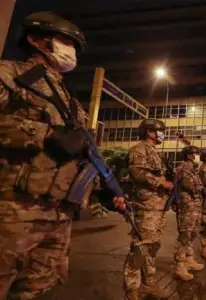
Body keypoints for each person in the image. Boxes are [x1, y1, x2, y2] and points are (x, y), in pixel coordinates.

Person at [0, 12, 126, 299]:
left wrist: (104, 190)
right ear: (35, 39)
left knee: (37, 289)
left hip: (59, 214)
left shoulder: (69, 101)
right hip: (13, 211)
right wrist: (43, 134)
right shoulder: (11, 74)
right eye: (64, 41)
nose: (70, 50)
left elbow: (82, 155)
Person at [123, 119, 173, 300]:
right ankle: (132, 290)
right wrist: (162, 183)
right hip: (146, 206)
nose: (162, 134)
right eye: (159, 131)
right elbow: (137, 173)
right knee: (140, 247)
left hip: (158, 206)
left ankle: (149, 283)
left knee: (153, 246)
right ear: (149, 132)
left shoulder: (156, 153)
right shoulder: (139, 149)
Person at [173, 145, 205, 281]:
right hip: (186, 206)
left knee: (192, 234)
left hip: (194, 206)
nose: (197, 155)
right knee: (184, 235)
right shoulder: (183, 168)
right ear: (188, 155)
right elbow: (189, 185)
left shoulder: (193, 169)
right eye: (195, 153)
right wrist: (202, 187)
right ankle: (179, 266)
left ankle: (189, 259)